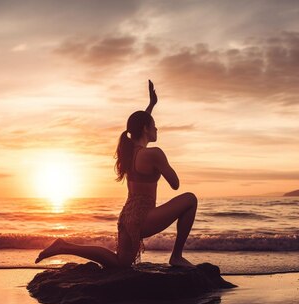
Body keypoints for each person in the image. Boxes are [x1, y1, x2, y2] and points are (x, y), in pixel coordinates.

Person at [35, 80, 197, 268]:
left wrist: (151, 105)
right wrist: (164, 163)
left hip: (127, 216)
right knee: (191, 199)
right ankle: (176, 256)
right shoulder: (154, 154)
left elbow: (137, 130)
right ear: (145, 128)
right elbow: (175, 183)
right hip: (144, 217)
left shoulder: (129, 153)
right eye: (154, 125)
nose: (157, 128)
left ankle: (65, 246)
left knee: (120, 263)